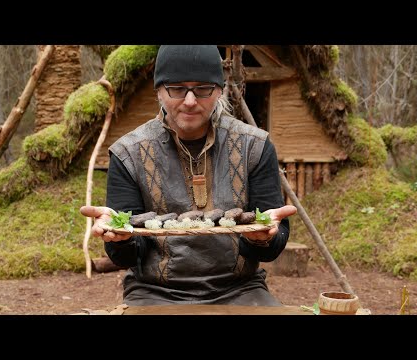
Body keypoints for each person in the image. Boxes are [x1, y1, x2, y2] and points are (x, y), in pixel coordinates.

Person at [80, 45, 297, 306]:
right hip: (154, 292)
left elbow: (273, 245)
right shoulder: (129, 154)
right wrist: (122, 238)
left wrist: (264, 238)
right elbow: (126, 257)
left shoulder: (254, 147)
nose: (190, 100)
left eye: (203, 88)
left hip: (241, 290)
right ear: (159, 91)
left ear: (219, 90)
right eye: (177, 88)